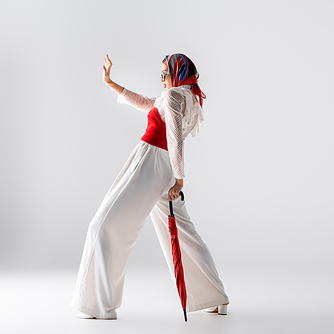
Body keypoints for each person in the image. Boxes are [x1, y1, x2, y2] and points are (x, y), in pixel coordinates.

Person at [70, 53, 229, 320]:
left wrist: (180, 180)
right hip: (164, 169)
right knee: (185, 234)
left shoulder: (172, 96)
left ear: (177, 74)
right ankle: (216, 298)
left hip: (151, 163)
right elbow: (145, 103)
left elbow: (175, 138)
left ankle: (101, 306)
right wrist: (110, 82)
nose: (162, 78)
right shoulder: (185, 97)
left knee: (102, 225)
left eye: (165, 73)